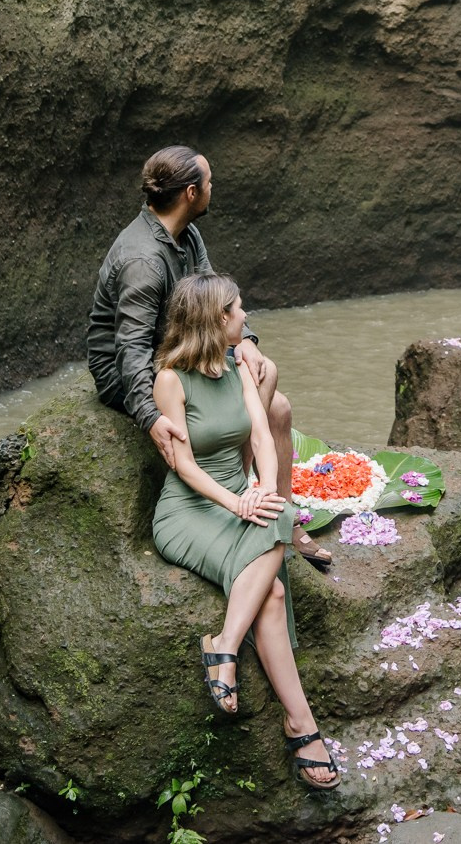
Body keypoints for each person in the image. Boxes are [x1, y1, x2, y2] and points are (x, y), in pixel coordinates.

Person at [84, 145, 331, 568]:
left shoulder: (186, 233)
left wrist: (246, 339)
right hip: (136, 368)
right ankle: (247, 499)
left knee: (272, 389)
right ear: (192, 193)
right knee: (274, 403)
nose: (215, 188)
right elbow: (130, 350)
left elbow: (215, 296)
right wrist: (149, 416)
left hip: (183, 344)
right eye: (211, 182)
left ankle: (275, 510)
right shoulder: (144, 260)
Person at [149, 273, 340, 792]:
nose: (245, 316)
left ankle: (228, 648)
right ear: (217, 319)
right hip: (191, 509)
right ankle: (301, 726)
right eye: (239, 309)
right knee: (273, 570)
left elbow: (260, 430)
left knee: (276, 539)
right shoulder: (170, 379)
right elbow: (184, 466)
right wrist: (237, 501)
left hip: (241, 495)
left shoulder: (236, 365)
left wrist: (258, 484)